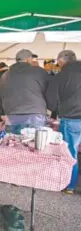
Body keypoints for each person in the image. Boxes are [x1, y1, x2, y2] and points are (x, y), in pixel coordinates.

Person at [45, 50, 81, 194]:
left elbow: (51, 101)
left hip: (72, 118)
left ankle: (69, 185)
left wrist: (54, 110)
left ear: (61, 61)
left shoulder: (62, 76)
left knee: (69, 152)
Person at [0, 49, 49, 133]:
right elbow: (49, 92)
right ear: (28, 59)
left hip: (11, 116)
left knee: (12, 144)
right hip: (35, 116)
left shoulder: (4, 75)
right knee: (33, 144)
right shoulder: (39, 71)